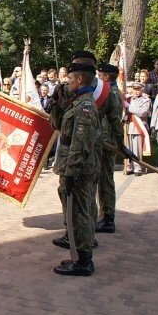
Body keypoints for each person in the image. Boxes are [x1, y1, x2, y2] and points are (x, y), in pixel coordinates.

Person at [52, 62, 100, 276]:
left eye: (70, 79)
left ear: (80, 79)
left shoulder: (85, 107)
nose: (68, 82)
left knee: (79, 214)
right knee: (79, 212)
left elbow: (79, 144)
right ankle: (81, 257)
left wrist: (71, 172)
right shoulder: (78, 102)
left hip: (79, 170)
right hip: (77, 168)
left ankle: (83, 262)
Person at [94, 63, 125, 234]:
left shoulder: (111, 93)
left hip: (106, 143)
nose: (98, 78)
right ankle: (105, 216)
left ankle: (108, 219)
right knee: (103, 180)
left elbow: (111, 121)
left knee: (105, 181)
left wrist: (107, 142)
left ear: (106, 77)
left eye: (99, 75)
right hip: (105, 141)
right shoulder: (110, 91)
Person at [124, 82, 152, 176]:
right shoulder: (127, 99)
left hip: (138, 126)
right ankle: (129, 166)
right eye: (134, 89)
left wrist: (128, 107)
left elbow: (142, 112)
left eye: (138, 89)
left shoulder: (146, 100)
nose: (136, 91)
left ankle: (138, 167)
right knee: (128, 148)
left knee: (137, 149)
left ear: (142, 90)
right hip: (128, 126)